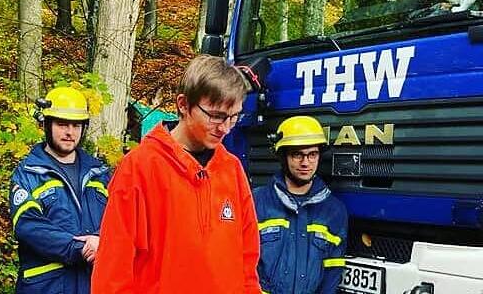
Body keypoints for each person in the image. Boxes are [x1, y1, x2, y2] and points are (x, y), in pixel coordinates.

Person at [91, 55, 261, 293]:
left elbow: (247, 263)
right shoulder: (140, 167)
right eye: (216, 116)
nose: (225, 128)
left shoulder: (231, 169)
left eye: (234, 117)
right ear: (183, 104)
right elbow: (113, 271)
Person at [9, 86, 110, 294]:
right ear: (46, 124)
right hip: (47, 286)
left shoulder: (100, 173)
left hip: (93, 284)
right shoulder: (28, 173)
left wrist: (101, 241)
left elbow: (121, 219)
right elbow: (29, 226)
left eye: (76, 125)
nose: (69, 132)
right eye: (62, 124)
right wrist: (81, 248)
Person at [253, 116, 348, 294]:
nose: (306, 163)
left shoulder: (335, 211)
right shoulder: (256, 202)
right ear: (283, 157)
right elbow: (242, 263)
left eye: (312, 154)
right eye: (297, 155)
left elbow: (333, 271)